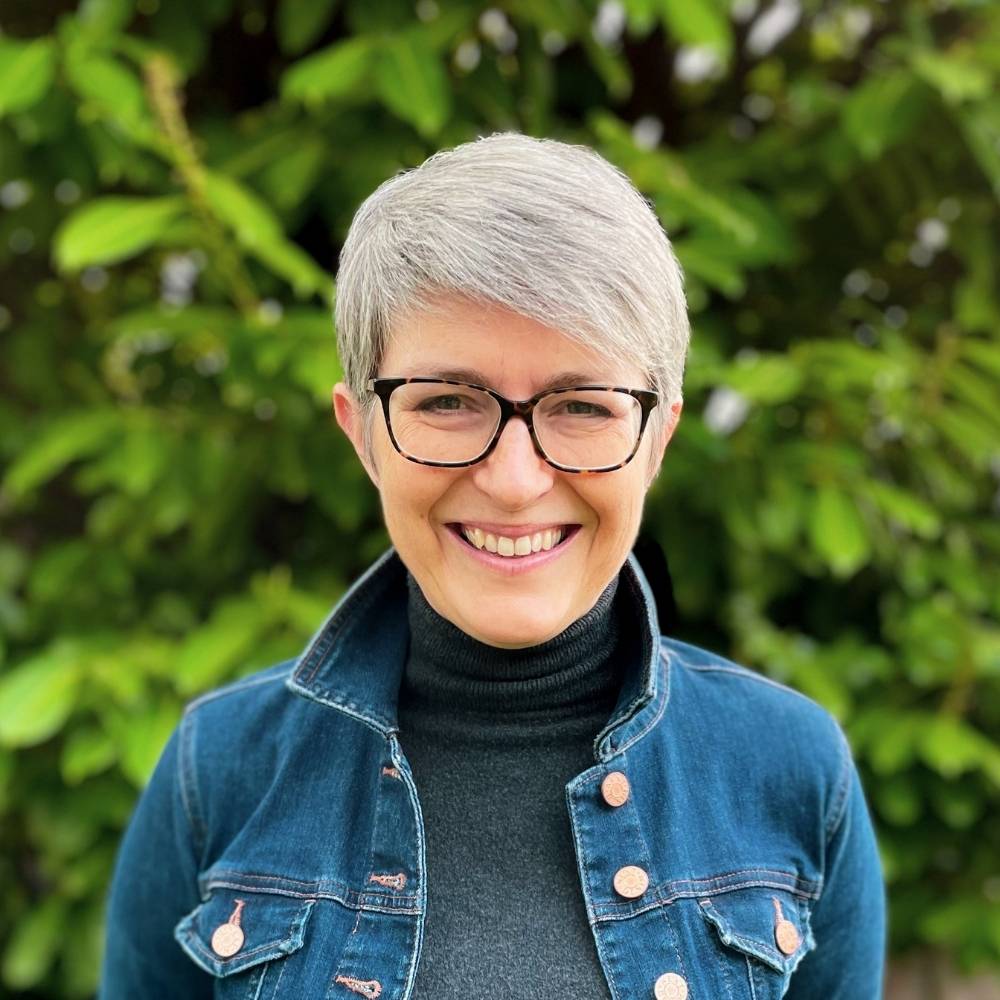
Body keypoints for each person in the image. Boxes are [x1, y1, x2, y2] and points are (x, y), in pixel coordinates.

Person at [99, 133, 886, 999]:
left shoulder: (791, 770)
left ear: (658, 439)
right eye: (447, 401)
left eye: (584, 405)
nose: (515, 482)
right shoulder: (219, 771)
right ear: (359, 431)